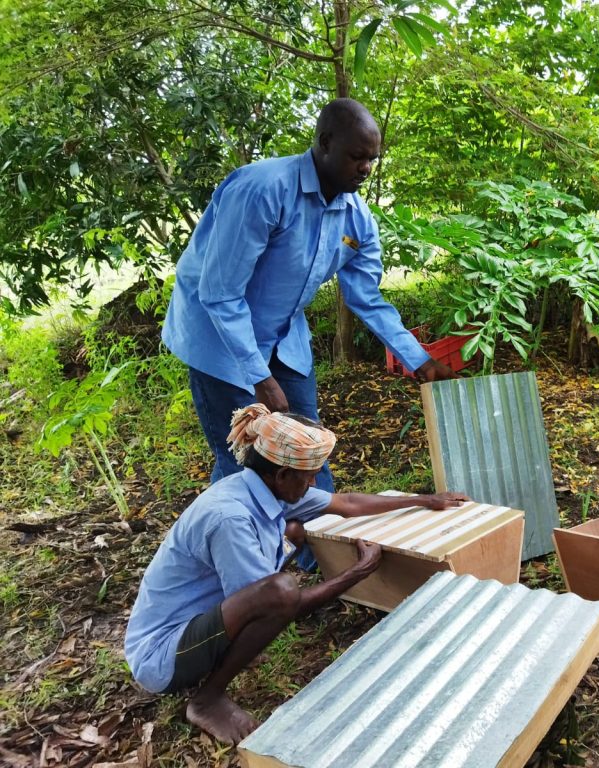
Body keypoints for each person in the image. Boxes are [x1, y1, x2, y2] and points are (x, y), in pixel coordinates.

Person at [124, 404, 468, 745]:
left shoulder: (260, 487)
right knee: (281, 591)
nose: (314, 482)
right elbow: (286, 604)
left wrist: (424, 500)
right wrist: (358, 572)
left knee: (292, 535)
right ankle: (206, 700)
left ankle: (226, 655)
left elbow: (347, 504)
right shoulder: (229, 518)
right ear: (283, 475)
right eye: (309, 475)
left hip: (198, 626)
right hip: (163, 657)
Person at [161, 98, 455, 495]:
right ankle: (236, 532)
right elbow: (219, 293)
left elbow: (365, 296)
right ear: (325, 142)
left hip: (284, 337)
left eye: (372, 160)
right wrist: (260, 378)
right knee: (245, 460)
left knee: (308, 450)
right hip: (221, 338)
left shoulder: (356, 219)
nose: (366, 169)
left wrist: (417, 358)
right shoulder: (263, 190)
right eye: (356, 157)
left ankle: (317, 533)